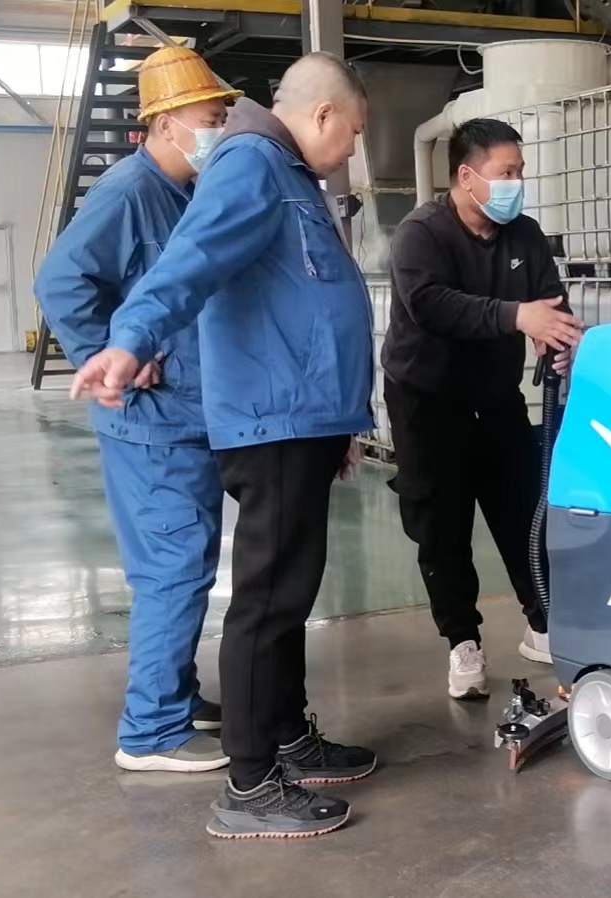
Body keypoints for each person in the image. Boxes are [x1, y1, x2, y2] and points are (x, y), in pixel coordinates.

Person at [71, 53, 376, 840]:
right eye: (353, 131)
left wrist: (342, 420)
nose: (353, 147)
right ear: (322, 115)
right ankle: (250, 785)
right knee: (267, 603)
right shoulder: (251, 164)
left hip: (303, 419)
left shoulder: (284, 171)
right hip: (274, 421)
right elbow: (190, 261)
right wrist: (128, 341)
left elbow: (305, 301)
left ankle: (287, 737)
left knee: (289, 595)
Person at [33, 45, 238, 774]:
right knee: (173, 568)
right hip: (150, 421)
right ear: (165, 122)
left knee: (188, 563)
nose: (219, 129)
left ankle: (174, 694)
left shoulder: (183, 191)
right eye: (210, 118)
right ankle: (151, 731)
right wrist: (108, 352)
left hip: (185, 417)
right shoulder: (128, 192)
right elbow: (60, 281)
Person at [382, 118, 582, 701]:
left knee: (523, 511)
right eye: (505, 172)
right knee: (442, 527)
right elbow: (431, 305)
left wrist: (560, 337)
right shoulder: (422, 234)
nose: (515, 183)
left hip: (495, 398)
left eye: (520, 171)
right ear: (467, 177)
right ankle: (463, 640)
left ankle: (543, 621)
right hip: (427, 400)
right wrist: (518, 317)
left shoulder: (524, 235)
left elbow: (551, 302)